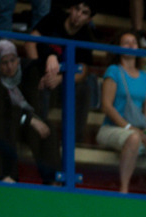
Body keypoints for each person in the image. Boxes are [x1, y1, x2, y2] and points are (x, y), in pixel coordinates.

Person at [97, 32, 146, 196]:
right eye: (126, 43)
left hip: (138, 129)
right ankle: (124, 190)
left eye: (134, 42)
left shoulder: (145, 77)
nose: (131, 45)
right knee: (133, 138)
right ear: (118, 48)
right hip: (111, 129)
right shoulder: (113, 71)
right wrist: (129, 127)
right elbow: (106, 106)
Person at [0, 40, 61, 185]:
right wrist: (29, 119)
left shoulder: (28, 69)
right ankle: (8, 178)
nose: (10, 66)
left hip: (25, 122)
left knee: (47, 128)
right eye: (4, 62)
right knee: (5, 127)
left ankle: (53, 180)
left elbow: (41, 46)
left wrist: (52, 57)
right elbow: (0, 109)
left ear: (17, 59)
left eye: (12, 60)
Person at [26, 1, 96, 143]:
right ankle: (36, 134)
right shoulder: (54, 18)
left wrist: (61, 79)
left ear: (88, 19)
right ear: (70, 8)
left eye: (84, 13)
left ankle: (72, 140)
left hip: (62, 81)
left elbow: (82, 72)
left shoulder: (86, 36)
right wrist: (38, 67)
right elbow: (30, 43)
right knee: (38, 80)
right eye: (77, 9)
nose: (78, 15)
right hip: (41, 71)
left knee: (84, 89)